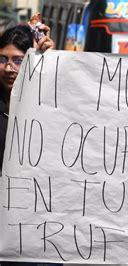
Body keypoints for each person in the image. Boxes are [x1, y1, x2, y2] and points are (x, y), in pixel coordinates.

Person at [0, 24, 55, 266]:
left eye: (19, 60)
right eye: (2, 59)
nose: (9, 68)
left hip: (36, 232)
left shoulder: (49, 102)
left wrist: (46, 62)